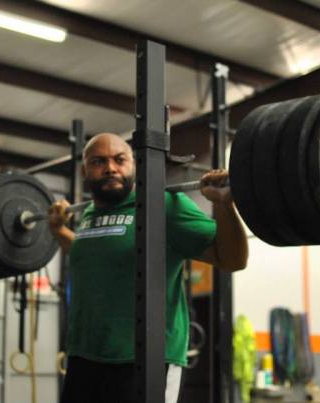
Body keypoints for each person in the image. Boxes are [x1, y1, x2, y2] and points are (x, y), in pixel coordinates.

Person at [49, 132, 248, 403]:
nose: (110, 168)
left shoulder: (165, 206)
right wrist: (58, 229)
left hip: (146, 359)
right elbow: (92, 253)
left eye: (119, 160)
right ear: (85, 171)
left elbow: (233, 259)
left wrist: (224, 205)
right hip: (85, 356)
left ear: (134, 164)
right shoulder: (89, 214)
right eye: (98, 162)